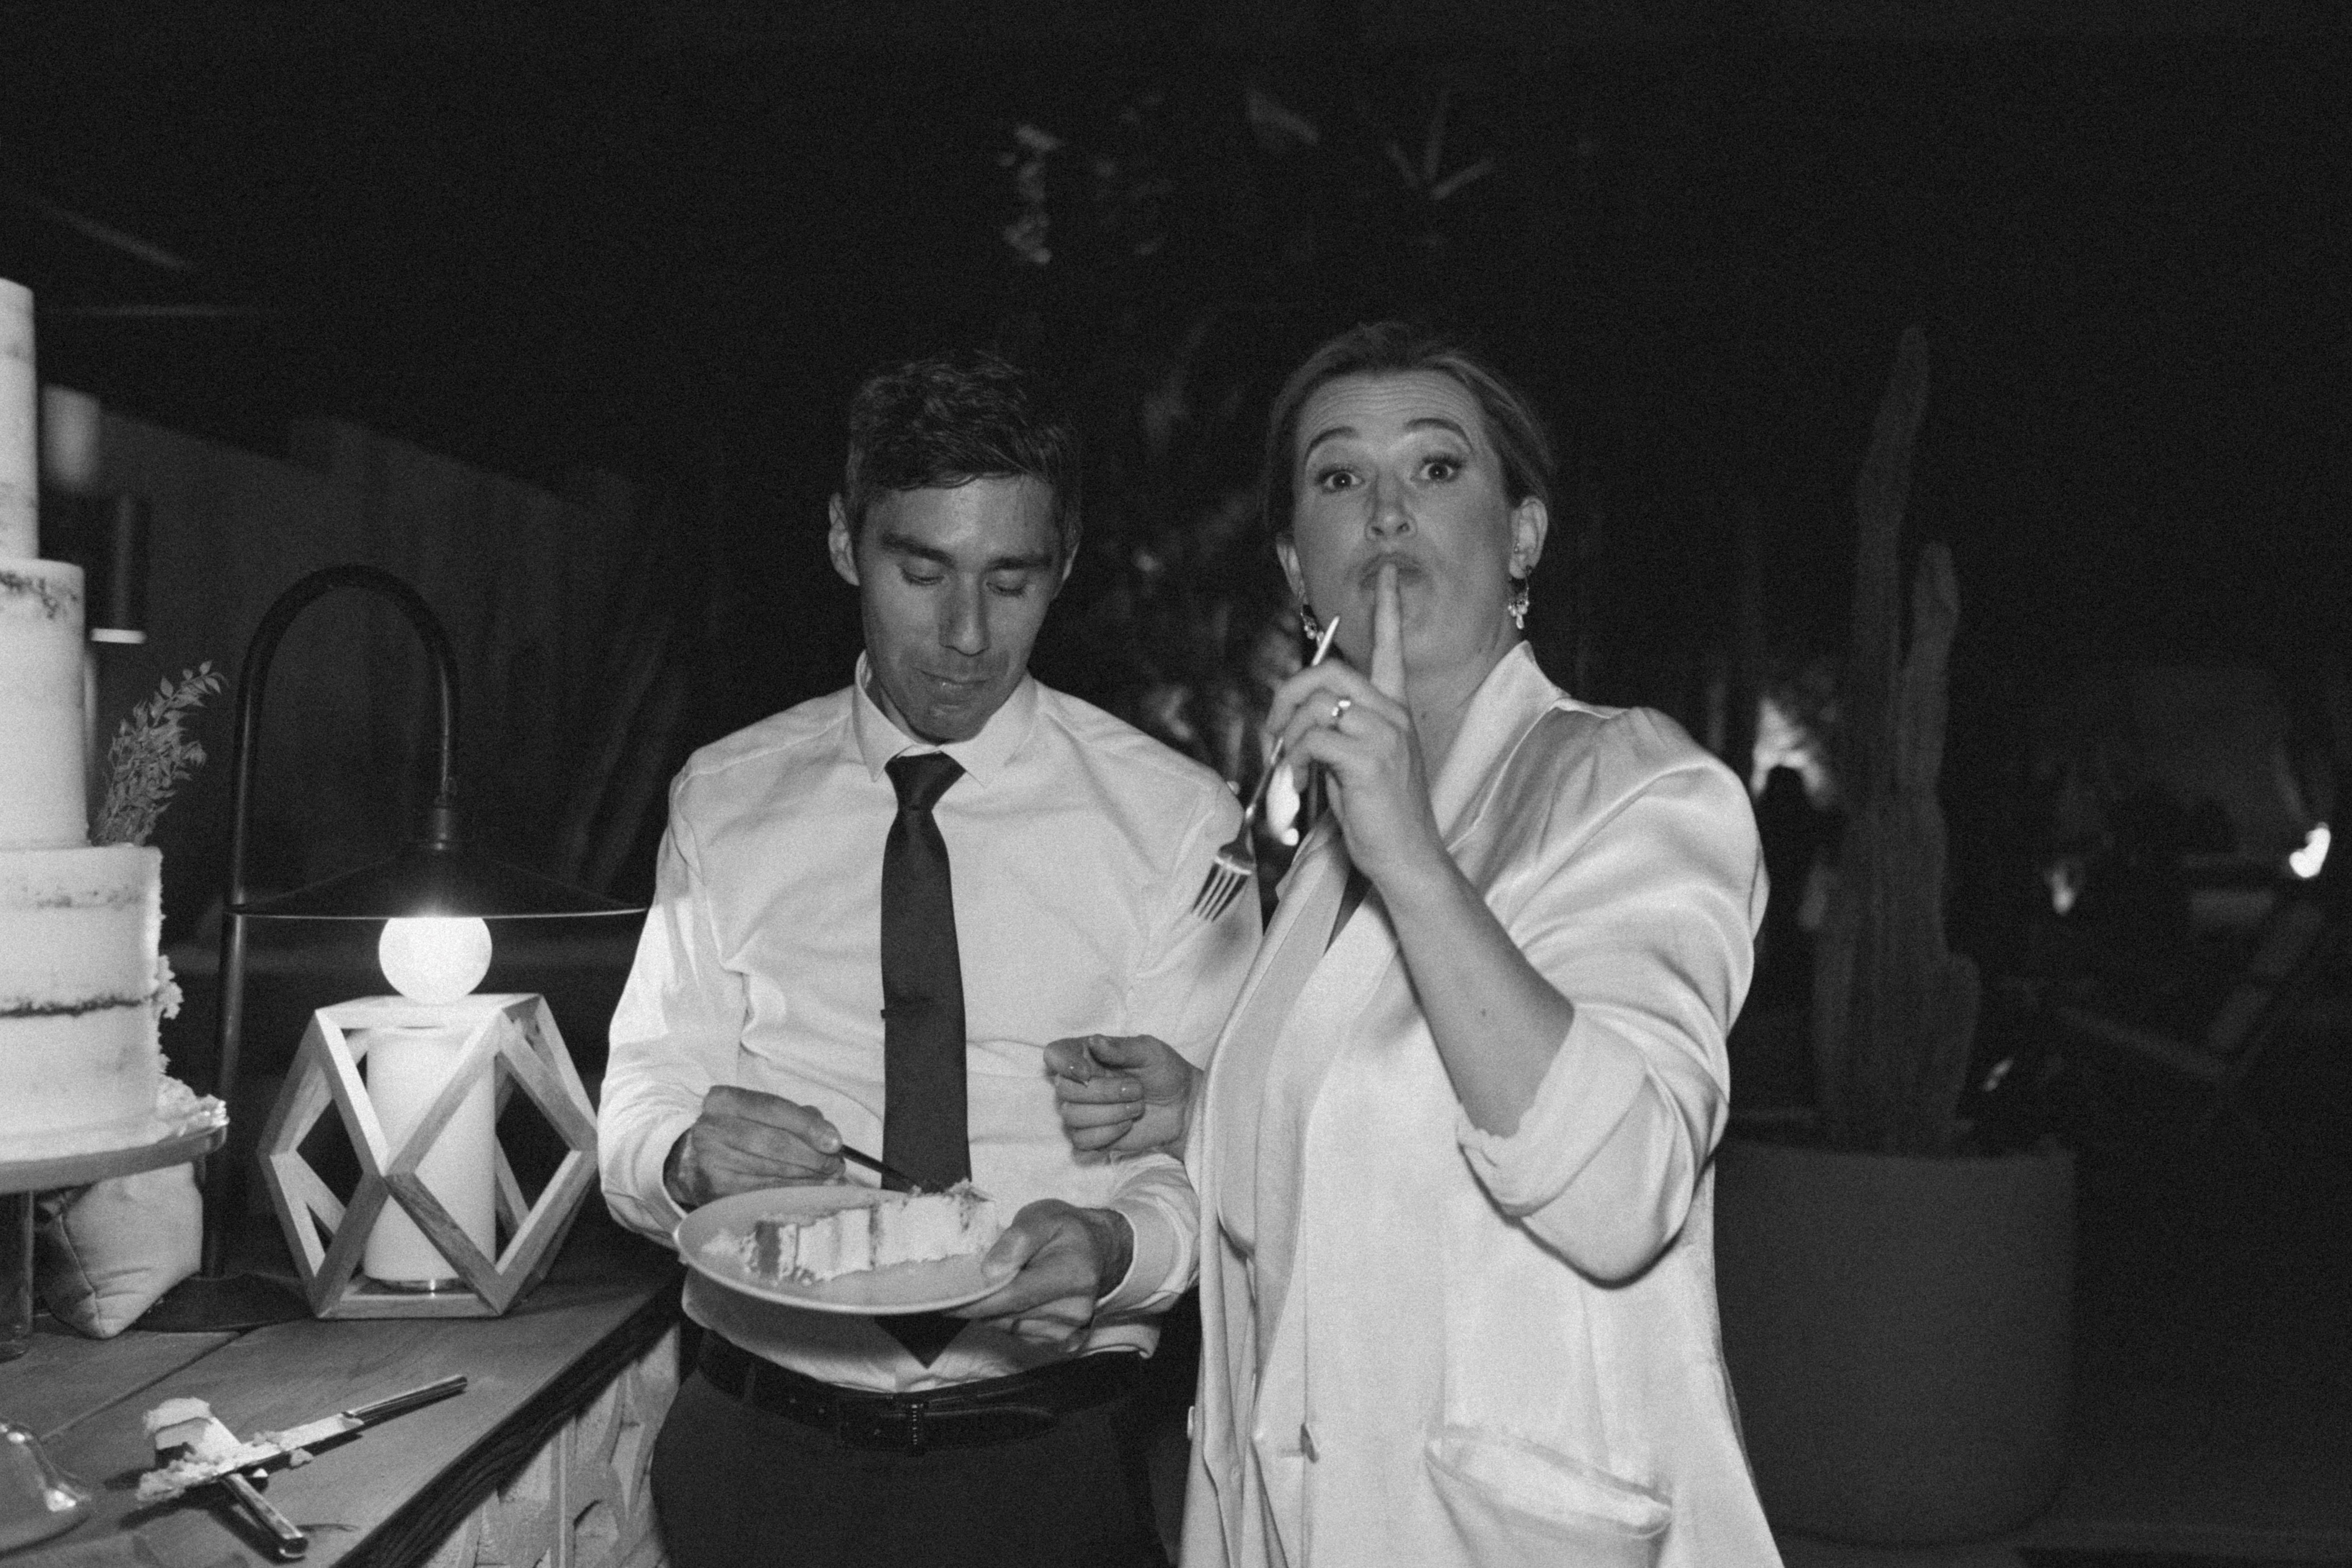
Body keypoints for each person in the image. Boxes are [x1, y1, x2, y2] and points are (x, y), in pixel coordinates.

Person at [1052, 322, 1780, 1565]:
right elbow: (1366, 1139)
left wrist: (1415, 862)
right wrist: (1213, 1108)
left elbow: (1623, 1193)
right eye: (1340, 477)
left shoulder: (1637, 788)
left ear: (1523, 537)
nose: (1387, 511)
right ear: (1298, 565)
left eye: (1438, 469)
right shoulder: (1328, 855)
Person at [599, 350, 1259, 1568]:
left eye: (1012, 581)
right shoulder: (724, 799)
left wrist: (1112, 1250)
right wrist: (685, 1158)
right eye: (923, 572)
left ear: (1065, 565)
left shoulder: (1178, 826)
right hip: (758, 1458)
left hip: (1050, 1471)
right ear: (845, 543)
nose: (966, 637)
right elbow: (639, 1104)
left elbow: (1204, 1164)